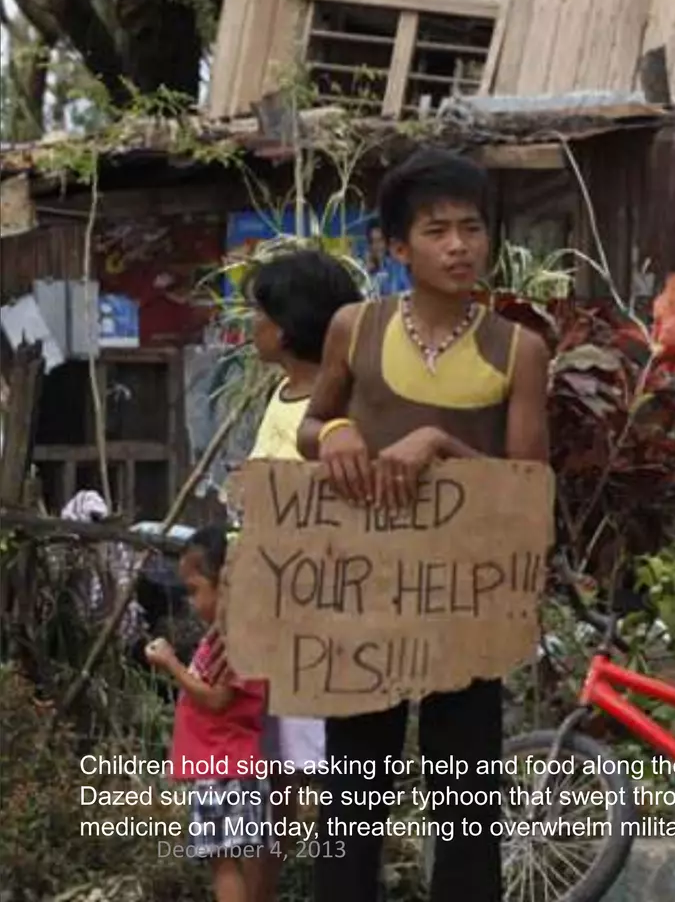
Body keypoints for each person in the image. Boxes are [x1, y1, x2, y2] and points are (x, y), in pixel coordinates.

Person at [298, 148, 551, 902]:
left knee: (467, 798)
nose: (459, 246)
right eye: (436, 230)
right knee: (353, 794)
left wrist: (440, 443)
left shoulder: (519, 349)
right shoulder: (356, 327)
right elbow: (312, 423)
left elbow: (527, 489)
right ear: (397, 247)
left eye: (472, 228)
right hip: (365, 594)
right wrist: (336, 431)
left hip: (467, 601)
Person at [244, 248, 363, 777]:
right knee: (274, 766)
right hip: (269, 608)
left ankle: (335, 859)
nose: (252, 326)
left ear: (287, 330)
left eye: (259, 315)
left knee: (310, 768)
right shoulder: (283, 394)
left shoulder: (344, 412)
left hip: (316, 618)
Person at [146, 527, 282, 902]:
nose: (191, 603)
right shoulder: (226, 636)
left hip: (225, 765)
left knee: (223, 861)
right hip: (232, 762)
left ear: (226, 583)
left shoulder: (237, 640)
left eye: (195, 590)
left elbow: (218, 700)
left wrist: (171, 664)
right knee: (236, 859)